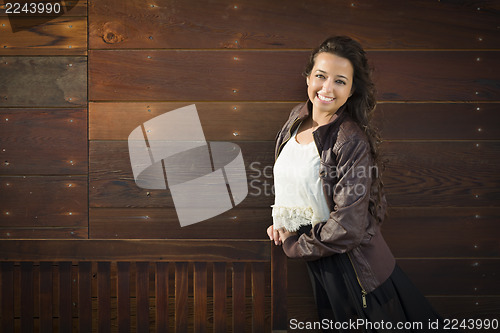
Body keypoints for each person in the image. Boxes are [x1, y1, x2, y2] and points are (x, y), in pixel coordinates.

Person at [267, 36, 448, 332]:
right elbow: (295, 185)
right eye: (321, 76)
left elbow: (348, 227)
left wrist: (293, 245)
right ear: (308, 77)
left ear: (351, 90)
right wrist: (282, 222)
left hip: (353, 267)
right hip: (318, 256)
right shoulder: (295, 121)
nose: (327, 88)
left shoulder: (350, 139)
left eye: (339, 81)